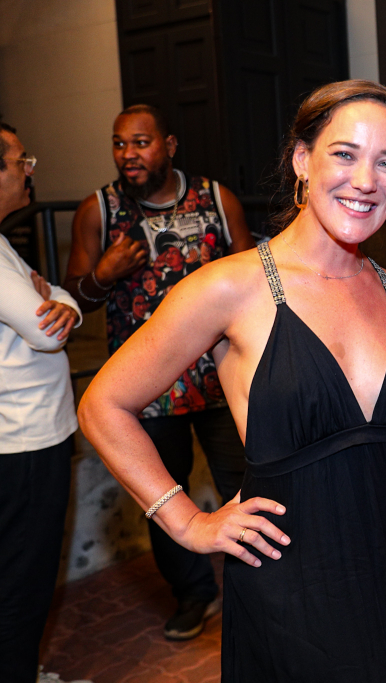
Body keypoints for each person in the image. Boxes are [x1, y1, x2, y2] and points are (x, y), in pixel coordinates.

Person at [78, 81, 386, 682]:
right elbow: (103, 404)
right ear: (302, 160)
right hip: (290, 585)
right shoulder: (228, 287)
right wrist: (186, 522)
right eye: (345, 154)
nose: (366, 180)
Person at [64, 104, 255, 640]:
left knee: (249, 486)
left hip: (222, 383)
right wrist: (103, 275)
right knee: (165, 498)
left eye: (141, 143)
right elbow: (76, 297)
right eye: (119, 144)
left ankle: (263, 593)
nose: (129, 155)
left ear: (169, 145)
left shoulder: (218, 200)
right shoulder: (97, 210)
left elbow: (254, 278)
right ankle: (195, 594)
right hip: (146, 393)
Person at [0, 124, 83, 681]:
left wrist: (59, 299)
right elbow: (49, 330)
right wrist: (57, 299)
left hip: (25, 436)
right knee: (22, 581)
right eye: (17, 161)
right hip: (24, 442)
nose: (30, 170)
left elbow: (52, 306)